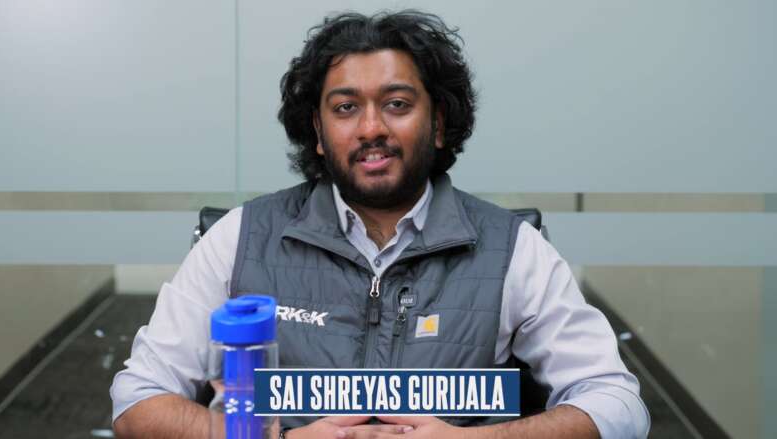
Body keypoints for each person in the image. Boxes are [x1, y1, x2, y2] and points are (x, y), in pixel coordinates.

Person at [111, 10, 650, 439]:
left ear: (438, 123)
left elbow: (618, 405)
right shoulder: (238, 237)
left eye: (396, 104)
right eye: (345, 108)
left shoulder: (514, 251)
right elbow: (137, 402)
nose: (371, 128)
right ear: (318, 134)